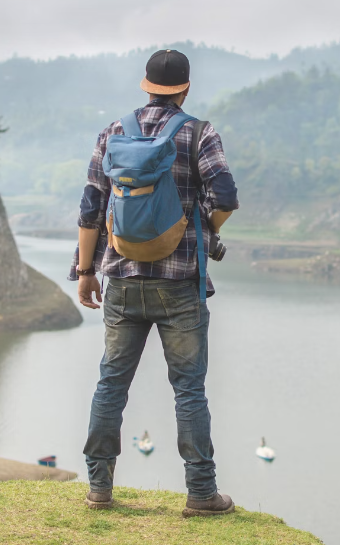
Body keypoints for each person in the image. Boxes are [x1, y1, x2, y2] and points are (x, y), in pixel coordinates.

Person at [69, 48, 239, 517]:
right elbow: (225, 196)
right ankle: (201, 495)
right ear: (185, 88)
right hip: (181, 282)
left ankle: (99, 488)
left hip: (121, 279)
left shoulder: (114, 132)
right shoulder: (200, 134)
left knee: (111, 383)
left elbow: (90, 207)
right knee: (188, 388)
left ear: (145, 84)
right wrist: (205, 228)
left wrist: (86, 273)